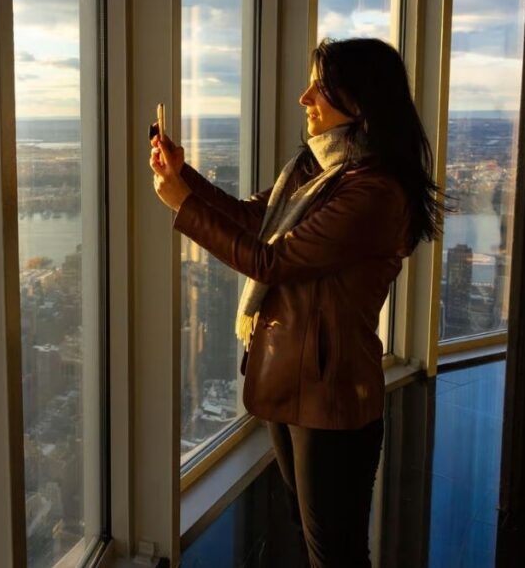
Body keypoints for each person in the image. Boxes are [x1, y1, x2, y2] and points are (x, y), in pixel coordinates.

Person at [150, 37, 445, 568]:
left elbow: (271, 262)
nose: (304, 97)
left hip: (330, 394)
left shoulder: (372, 192)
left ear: (360, 101)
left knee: (335, 552)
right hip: (293, 379)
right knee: (312, 535)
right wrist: (182, 178)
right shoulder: (319, 173)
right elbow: (253, 221)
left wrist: (184, 206)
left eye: (321, 87)